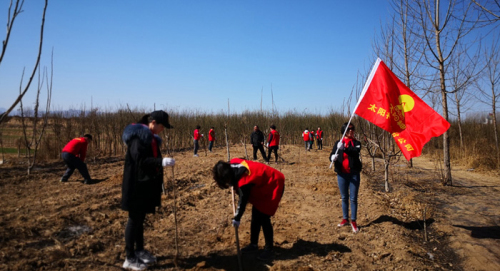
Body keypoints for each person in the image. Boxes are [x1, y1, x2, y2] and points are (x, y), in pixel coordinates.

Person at [121, 110, 176, 270]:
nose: (163, 130)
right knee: (134, 219)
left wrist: (160, 163)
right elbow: (140, 160)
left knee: (140, 219)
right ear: (153, 123)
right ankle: (129, 257)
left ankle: (139, 251)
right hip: (135, 185)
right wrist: (161, 162)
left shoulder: (150, 138)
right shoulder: (139, 137)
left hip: (144, 184)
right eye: (162, 126)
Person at [212, 158, 285, 261]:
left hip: (273, 183)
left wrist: (237, 218)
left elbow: (243, 201)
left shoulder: (244, 181)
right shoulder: (233, 163)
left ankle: (269, 250)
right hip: (262, 185)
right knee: (255, 216)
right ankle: (253, 244)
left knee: (264, 218)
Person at [329, 122, 362, 233]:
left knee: (353, 198)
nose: (351, 131)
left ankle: (353, 221)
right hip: (342, 175)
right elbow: (332, 154)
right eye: (349, 130)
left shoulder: (356, 143)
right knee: (344, 197)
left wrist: (345, 148)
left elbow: (355, 152)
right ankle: (345, 219)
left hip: (353, 174)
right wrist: (332, 157)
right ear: (344, 131)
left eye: (353, 129)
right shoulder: (338, 143)